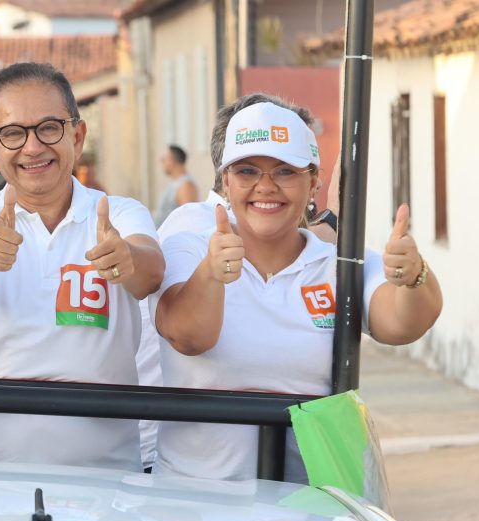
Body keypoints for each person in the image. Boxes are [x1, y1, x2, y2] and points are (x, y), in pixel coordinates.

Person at [152, 95, 443, 481]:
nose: (266, 187)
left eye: (286, 172)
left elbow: (402, 323)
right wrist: (211, 273)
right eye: (248, 171)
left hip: (310, 509)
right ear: (225, 181)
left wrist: (413, 276)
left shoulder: (338, 263)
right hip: (198, 507)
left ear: (314, 183)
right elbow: (188, 336)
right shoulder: (190, 244)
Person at [0, 62, 163, 470]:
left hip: (109, 479)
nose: (32, 147)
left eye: (49, 127)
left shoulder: (117, 214)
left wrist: (126, 260)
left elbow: (151, 273)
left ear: (77, 136)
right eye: (13, 134)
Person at [153, 145, 198, 226]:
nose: (161, 162)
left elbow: (188, 219)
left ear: (172, 161)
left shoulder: (186, 185)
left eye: (164, 159)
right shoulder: (177, 183)